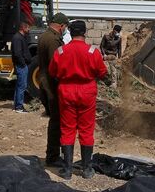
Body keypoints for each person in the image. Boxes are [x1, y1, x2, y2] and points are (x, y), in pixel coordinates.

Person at [48, 20, 108, 180]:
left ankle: (67, 170)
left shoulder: (60, 51)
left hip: (66, 91)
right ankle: (87, 169)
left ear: (70, 32)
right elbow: (102, 73)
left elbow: (52, 72)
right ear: (84, 33)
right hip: (87, 91)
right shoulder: (92, 52)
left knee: (67, 129)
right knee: (86, 129)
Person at [36, 12, 70, 166]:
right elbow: (56, 64)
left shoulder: (44, 36)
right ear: (61, 26)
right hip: (52, 85)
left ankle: (54, 154)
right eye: (64, 27)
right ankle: (53, 156)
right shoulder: (53, 40)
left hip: (44, 81)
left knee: (55, 119)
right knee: (57, 121)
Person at [11, 21, 32, 113]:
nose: (29, 29)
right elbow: (17, 53)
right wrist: (23, 64)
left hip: (22, 65)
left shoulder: (20, 37)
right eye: (28, 28)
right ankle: (19, 107)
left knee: (20, 85)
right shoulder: (17, 38)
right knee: (22, 86)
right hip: (21, 66)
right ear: (23, 28)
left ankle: (17, 105)